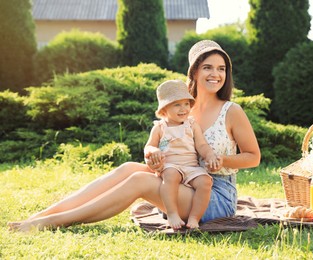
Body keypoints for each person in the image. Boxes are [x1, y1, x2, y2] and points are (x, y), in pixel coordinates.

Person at [8, 40, 261, 232]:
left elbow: (254, 158)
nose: (215, 74)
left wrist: (219, 159)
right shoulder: (182, 108)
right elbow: (161, 142)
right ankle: (42, 214)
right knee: (130, 167)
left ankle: (53, 222)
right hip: (180, 177)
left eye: (221, 68)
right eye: (207, 67)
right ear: (194, 71)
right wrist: (154, 157)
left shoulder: (232, 111)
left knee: (140, 181)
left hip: (213, 194)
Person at [144, 79, 220, 229]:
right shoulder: (160, 127)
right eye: (177, 104)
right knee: (170, 176)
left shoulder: (191, 124)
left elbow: (202, 145)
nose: (183, 109)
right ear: (164, 110)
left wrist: (209, 155)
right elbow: (149, 146)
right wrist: (154, 151)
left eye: (186, 104)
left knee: (205, 182)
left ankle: (194, 218)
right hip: (170, 165)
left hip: (191, 166)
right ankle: (172, 213)